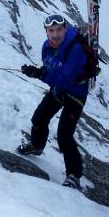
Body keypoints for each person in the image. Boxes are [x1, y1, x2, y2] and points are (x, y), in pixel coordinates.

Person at [17, 14, 89, 190]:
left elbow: (65, 79)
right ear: (46, 31)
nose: (55, 34)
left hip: (75, 94)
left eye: (59, 30)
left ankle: (74, 175)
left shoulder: (76, 48)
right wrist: (38, 71)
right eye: (51, 31)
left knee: (64, 135)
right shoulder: (47, 47)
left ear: (65, 29)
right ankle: (36, 146)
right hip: (58, 90)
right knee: (39, 119)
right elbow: (51, 68)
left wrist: (40, 74)